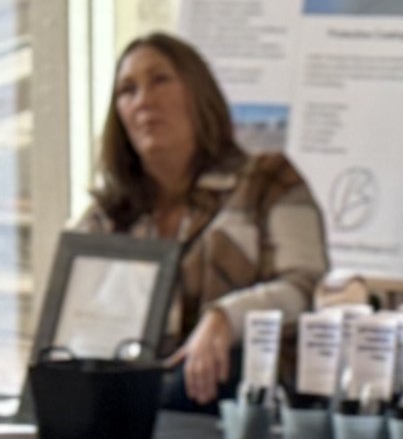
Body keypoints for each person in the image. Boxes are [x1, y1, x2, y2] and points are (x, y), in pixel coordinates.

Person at [71, 32, 327, 404]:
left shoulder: (269, 181)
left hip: (239, 408)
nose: (144, 100)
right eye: (127, 90)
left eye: (160, 80)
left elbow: (306, 288)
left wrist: (225, 318)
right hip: (123, 409)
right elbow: (70, 322)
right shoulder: (107, 216)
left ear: (198, 94)